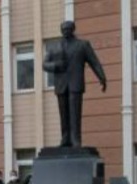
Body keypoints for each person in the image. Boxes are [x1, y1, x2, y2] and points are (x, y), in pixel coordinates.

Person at [43, 20, 107, 148]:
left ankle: (75, 139)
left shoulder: (83, 45)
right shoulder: (54, 46)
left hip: (75, 84)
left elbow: (94, 62)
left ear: (73, 29)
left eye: (68, 29)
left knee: (75, 113)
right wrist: (56, 66)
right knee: (63, 113)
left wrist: (102, 77)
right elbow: (44, 64)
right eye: (63, 29)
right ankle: (65, 138)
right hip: (61, 85)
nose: (66, 31)